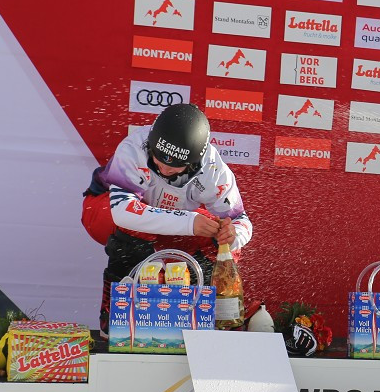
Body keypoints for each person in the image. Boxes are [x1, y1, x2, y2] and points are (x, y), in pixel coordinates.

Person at [81, 103, 253, 334]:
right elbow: (122, 210)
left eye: (175, 166)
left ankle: (199, 311)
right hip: (103, 213)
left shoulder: (214, 169)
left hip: (170, 226)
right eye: (157, 157)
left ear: (194, 162)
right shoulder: (135, 146)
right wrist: (190, 222)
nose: (163, 167)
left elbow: (241, 221)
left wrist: (232, 235)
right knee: (129, 222)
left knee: (223, 240)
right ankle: (114, 314)